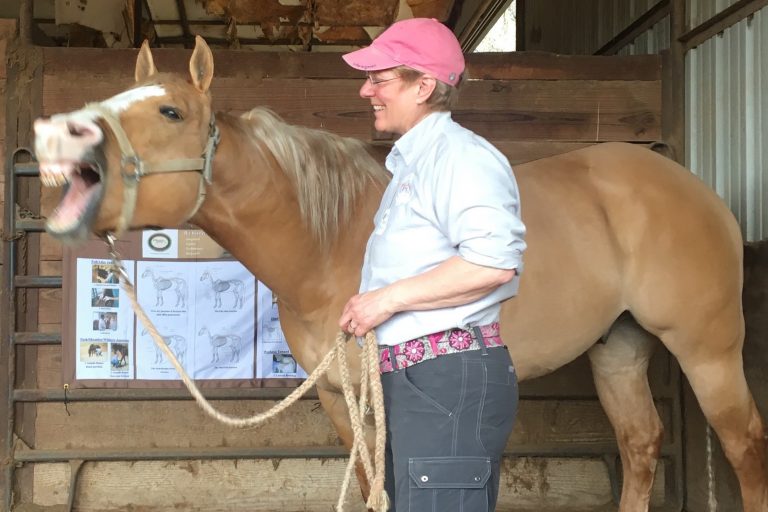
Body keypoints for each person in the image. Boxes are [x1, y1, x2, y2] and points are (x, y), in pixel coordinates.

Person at [338, 18, 526, 512]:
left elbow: (492, 264)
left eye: (379, 80)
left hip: (446, 377)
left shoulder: (460, 159)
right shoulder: (414, 166)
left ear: (423, 86)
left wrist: (385, 299)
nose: (366, 91)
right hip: (424, 378)